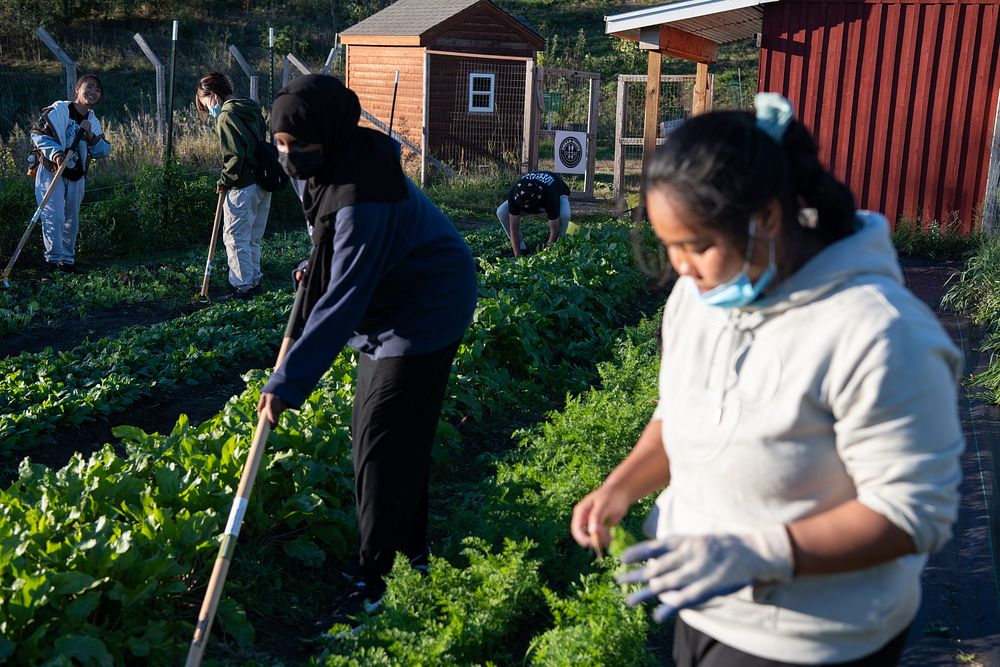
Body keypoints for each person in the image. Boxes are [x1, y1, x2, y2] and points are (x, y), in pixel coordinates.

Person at [570, 93, 965, 666]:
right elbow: (679, 413)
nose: (680, 266)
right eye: (669, 246)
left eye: (697, 245)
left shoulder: (880, 333)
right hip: (703, 601)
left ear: (767, 220)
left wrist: (761, 553)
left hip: (811, 639)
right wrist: (623, 485)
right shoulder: (701, 294)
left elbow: (912, 514)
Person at [256, 75, 478, 608]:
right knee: (389, 432)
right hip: (394, 294)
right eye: (279, 145)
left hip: (424, 306)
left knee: (380, 437)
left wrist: (286, 382)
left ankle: (374, 579)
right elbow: (335, 251)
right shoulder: (334, 162)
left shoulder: (364, 196)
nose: (288, 157)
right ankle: (411, 555)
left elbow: (342, 300)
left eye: (297, 147)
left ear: (328, 138)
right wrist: (318, 263)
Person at [195, 71, 271, 299]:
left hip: (241, 185)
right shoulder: (250, 108)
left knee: (235, 236)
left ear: (214, 96)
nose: (208, 109)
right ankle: (254, 279)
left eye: (205, 103)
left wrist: (224, 180)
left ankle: (243, 286)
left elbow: (235, 156)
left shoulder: (226, 116)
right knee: (252, 237)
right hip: (261, 182)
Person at [29, 73, 112, 272]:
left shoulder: (92, 120)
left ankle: (66, 261)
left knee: (71, 218)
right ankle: (52, 260)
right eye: (89, 87)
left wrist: (90, 135)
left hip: (76, 173)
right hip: (52, 170)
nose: (93, 92)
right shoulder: (58, 110)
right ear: (77, 89)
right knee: (53, 215)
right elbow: (38, 135)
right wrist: (56, 155)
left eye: (97, 90)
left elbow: (103, 150)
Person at [496, 171, 571, 257]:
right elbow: (514, 228)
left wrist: (546, 255)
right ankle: (521, 247)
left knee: (565, 215)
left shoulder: (550, 195)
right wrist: (518, 255)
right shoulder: (514, 193)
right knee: (501, 212)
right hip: (535, 196)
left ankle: (558, 247)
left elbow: (555, 230)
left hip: (558, 191)